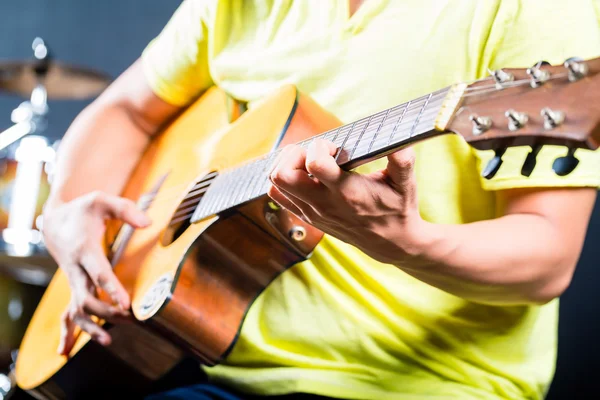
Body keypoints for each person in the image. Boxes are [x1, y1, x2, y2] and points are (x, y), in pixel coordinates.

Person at [41, 0, 600, 399]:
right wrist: (66, 208)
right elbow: (127, 110)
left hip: (423, 385)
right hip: (213, 371)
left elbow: (546, 259)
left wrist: (408, 244)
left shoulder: (538, 7)